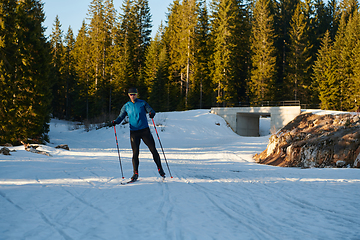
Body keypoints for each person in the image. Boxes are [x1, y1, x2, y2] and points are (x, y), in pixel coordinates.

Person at [108, 87, 165, 181]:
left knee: (153, 149)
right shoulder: (126, 106)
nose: (132, 96)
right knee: (135, 153)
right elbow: (121, 116)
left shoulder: (142, 103)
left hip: (145, 131)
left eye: (134, 94)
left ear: (137, 94)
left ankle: (160, 169)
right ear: (128, 95)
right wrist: (116, 121)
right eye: (131, 94)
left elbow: (151, 110)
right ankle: (135, 173)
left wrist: (151, 113)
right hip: (134, 132)